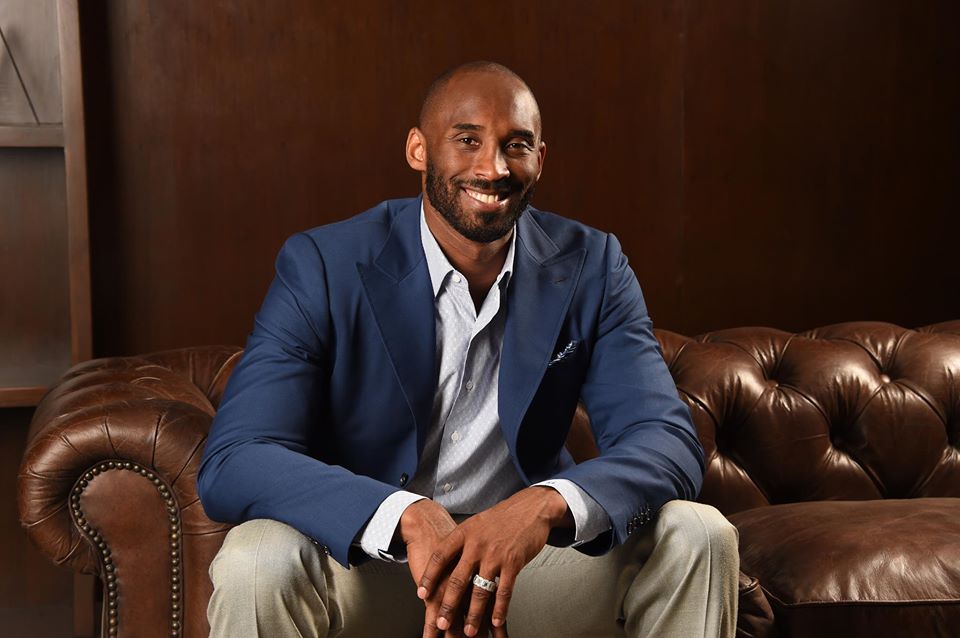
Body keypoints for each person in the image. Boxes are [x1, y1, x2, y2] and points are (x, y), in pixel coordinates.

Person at [198, 61, 739, 638]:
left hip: (522, 571)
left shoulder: (592, 265)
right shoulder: (324, 265)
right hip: (369, 567)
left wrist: (541, 506)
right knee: (256, 558)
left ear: (540, 159)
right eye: (467, 140)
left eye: (516, 145)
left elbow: (667, 441)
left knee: (700, 534)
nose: (493, 167)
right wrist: (403, 514)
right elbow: (237, 457)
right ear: (418, 149)